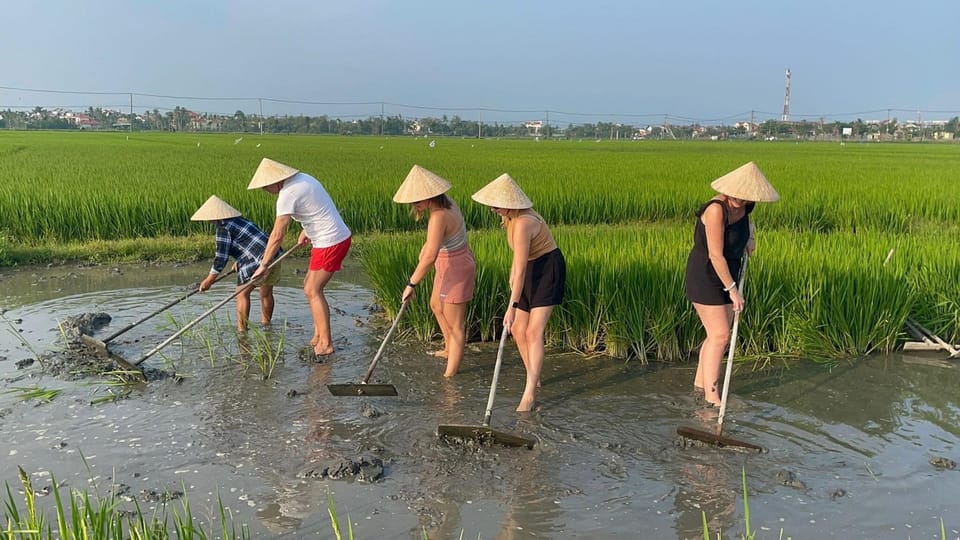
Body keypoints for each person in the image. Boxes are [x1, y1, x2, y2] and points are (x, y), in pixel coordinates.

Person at [684, 162, 779, 407]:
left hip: (730, 273)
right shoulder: (717, 209)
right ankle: (712, 398)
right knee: (720, 336)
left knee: (714, 336)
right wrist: (733, 291)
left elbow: (746, 227)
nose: (739, 199)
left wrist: (750, 239)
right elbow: (716, 255)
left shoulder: (746, 209)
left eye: (745, 196)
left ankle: (700, 386)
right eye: (735, 194)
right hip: (707, 276)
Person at [471, 173, 566, 412]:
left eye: (496, 204)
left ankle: (530, 393)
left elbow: (523, 265)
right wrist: (512, 281)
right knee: (516, 329)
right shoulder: (509, 219)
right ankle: (533, 374)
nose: (492, 209)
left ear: (511, 203)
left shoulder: (524, 222)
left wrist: (511, 307)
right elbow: (517, 263)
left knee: (533, 331)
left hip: (547, 269)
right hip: (529, 267)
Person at [248, 158, 352, 356]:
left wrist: (264, 264)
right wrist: (307, 230)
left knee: (313, 290)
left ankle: (326, 344)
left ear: (274, 181)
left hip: (331, 241)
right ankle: (318, 335)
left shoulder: (287, 193)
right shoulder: (303, 179)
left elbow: (277, 234)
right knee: (309, 285)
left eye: (264, 186)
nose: (265, 190)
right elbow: (315, 208)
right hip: (326, 238)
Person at [393, 165, 476, 377]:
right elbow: (436, 243)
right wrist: (427, 249)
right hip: (446, 262)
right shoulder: (447, 205)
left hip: (456, 267)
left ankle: (450, 374)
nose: (415, 205)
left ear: (431, 196)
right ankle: (449, 349)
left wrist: (411, 284)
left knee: (456, 324)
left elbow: (430, 255)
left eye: (418, 201)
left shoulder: (439, 216)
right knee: (435, 305)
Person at [190, 195, 282, 332]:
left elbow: (221, 257)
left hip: (259, 260)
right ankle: (266, 324)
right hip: (274, 254)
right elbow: (248, 242)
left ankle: (242, 331)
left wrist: (209, 280)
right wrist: (240, 260)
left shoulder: (223, 228)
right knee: (266, 293)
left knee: (241, 294)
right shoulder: (239, 220)